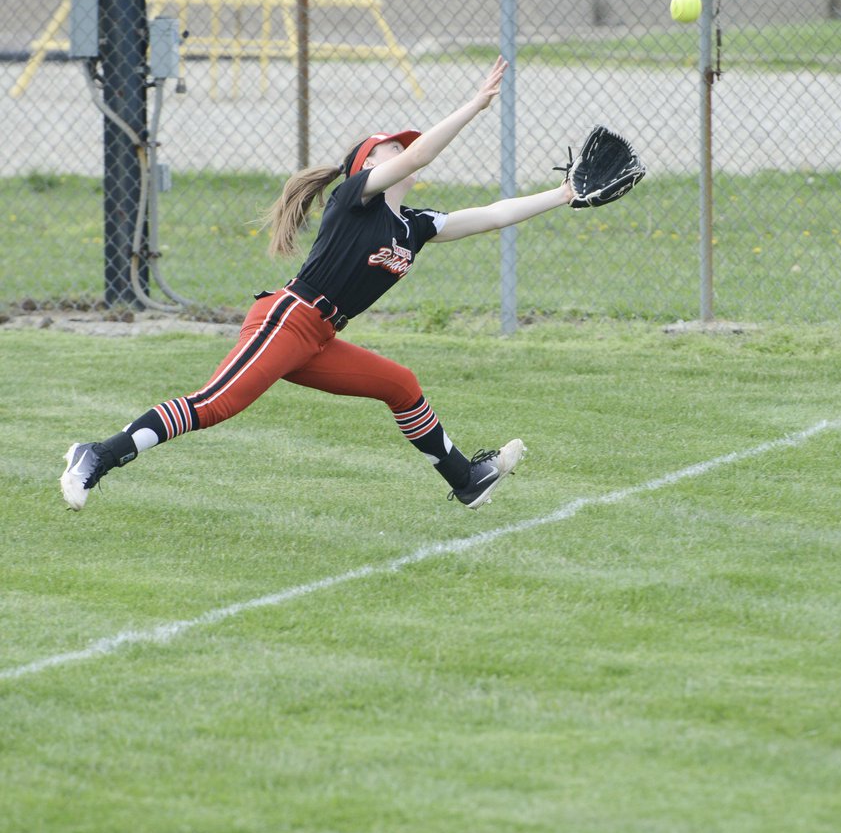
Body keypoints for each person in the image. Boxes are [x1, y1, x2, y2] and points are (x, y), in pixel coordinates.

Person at [61, 56, 576, 513]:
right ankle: (98, 454)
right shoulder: (356, 198)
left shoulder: (413, 226)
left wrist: (561, 194)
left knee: (401, 385)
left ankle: (465, 479)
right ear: (367, 165)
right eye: (392, 148)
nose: (407, 152)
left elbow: (489, 215)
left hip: (319, 336)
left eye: (404, 147)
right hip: (288, 318)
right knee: (216, 403)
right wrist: (475, 105)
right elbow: (421, 158)